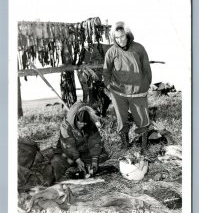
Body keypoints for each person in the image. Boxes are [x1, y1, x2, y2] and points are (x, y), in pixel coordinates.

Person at [103, 21, 152, 152]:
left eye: (122, 36)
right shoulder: (111, 52)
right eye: (117, 38)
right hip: (119, 92)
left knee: (142, 117)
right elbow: (106, 71)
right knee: (121, 118)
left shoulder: (139, 48)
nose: (120, 40)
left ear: (128, 35)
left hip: (138, 91)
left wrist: (145, 85)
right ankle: (125, 143)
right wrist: (109, 86)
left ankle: (143, 144)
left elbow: (146, 68)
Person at [51, 101, 108, 181]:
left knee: (102, 156)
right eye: (80, 123)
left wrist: (95, 160)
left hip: (83, 149)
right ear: (76, 119)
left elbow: (95, 141)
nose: (82, 126)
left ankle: (80, 164)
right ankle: (74, 164)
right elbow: (68, 144)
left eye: (84, 124)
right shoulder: (66, 125)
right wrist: (77, 159)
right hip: (67, 150)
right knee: (58, 162)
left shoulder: (91, 122)